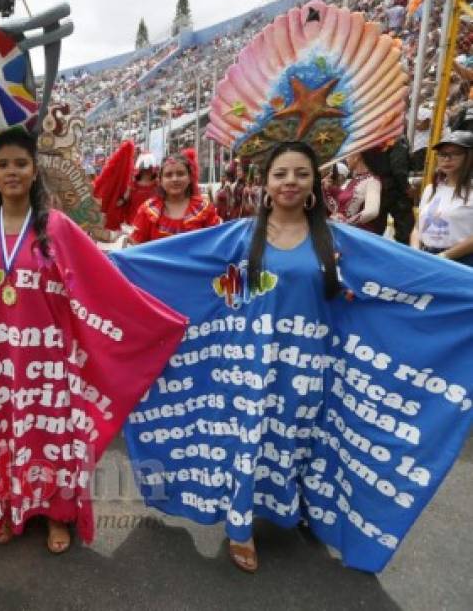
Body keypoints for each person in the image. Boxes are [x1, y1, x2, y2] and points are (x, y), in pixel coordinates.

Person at [112, 140, 473, 574]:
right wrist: (106, 263)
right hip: (249, 370)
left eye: (301, 174)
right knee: (249, 440)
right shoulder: (239, 237)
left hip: (310, 371)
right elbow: (171, 262)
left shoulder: (339, 241)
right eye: (280, 174)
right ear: (265, 183)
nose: (290, 182)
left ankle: (293, 507)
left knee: (299, 441)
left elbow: (408, 272)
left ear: (314, 184)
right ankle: (240, 526)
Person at [0, 128, 186, 553]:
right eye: (3, 164)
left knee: (51, 439)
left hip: (46, 360)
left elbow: (102, 279)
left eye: (20, 163)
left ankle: (58, 514)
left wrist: (164, 300)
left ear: (35, 170)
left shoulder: (57, 227)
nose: (12, 171)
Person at [130, 150, 220, 244]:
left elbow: (216, 242)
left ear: (190, 178)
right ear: (160, 180)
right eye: (168, 175)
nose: (175, 179)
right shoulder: (148, 211)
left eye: (180, 174)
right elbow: (136, 248)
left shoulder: (204, 208)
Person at [412, 130, 473, 265]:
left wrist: (444, 256)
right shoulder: (431, 189)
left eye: (455, 153)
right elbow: (418, 228)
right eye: (442, 154)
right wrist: (415, 252)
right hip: (428, 257)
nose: (446, 159)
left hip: (462, 262)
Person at [323, 150, 383, 232]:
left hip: (356, 236)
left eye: (348, 155)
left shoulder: (372, 181)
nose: (346, 159)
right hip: (342, 232)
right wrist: (325, 189)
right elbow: (339, 208)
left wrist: (346, 222)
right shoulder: (352, 181)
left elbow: (372, 212)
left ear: (357, 156)